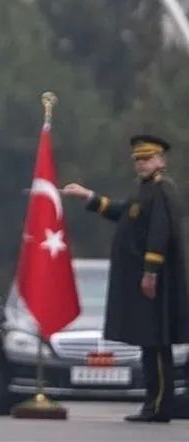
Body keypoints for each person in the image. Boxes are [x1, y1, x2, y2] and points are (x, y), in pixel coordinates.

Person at [63, 134, 189, 423]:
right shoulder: (144, 190)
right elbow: (124, 213)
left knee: (157, 344)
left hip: (155, 281)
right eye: (138, 160)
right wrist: (90, 197)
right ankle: (152, 404)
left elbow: (160, 233)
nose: (141, 164)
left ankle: (160, 406)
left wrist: (150, 272)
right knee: (149, 343)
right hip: (144, 279)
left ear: (161, 160)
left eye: (147, 159)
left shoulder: (162, 189)